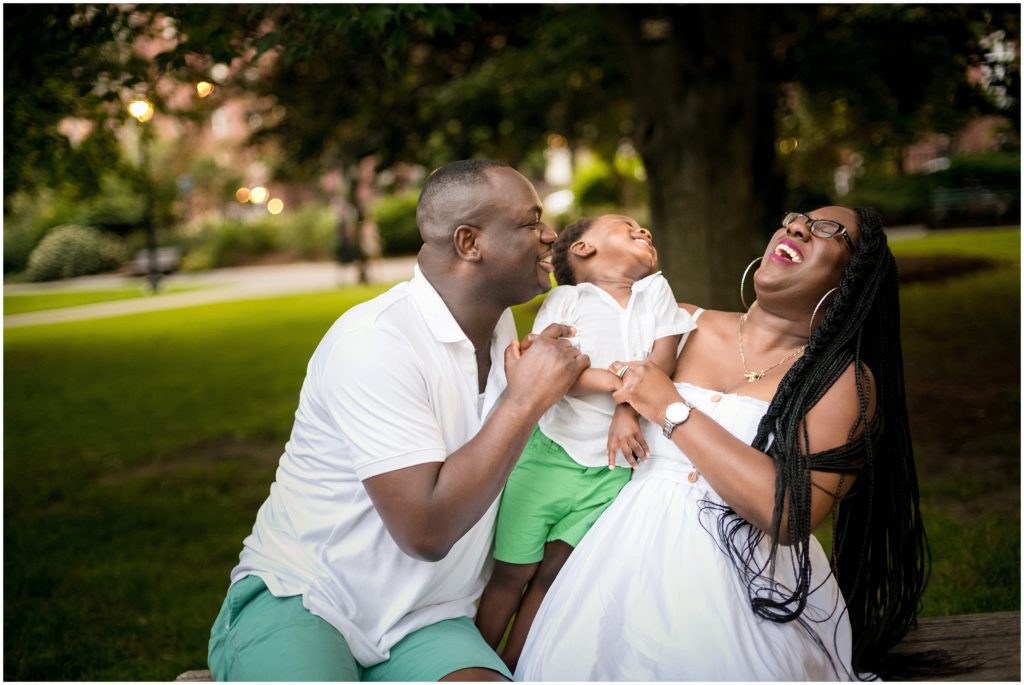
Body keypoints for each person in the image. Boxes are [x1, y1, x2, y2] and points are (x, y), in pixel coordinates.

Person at [207, 160, 590, 682]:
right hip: (307, 598)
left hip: (429, 620)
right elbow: (426, 530)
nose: (550, 236)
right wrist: (523, 403)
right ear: (469, 243)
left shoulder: (503, 329)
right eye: (530, 222)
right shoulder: (374, 342)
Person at [516, 207, 928, 681]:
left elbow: (790, 513)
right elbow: (577, 375)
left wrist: (674, 411)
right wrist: (541, 354)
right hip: (618, 568)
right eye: (797, 219)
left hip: (751, 593)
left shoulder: (841, 382)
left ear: (851, 280)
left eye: (827, 231)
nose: (796, 227)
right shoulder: (679, 323)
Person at [476, 214, 696, 669]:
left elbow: (662, 364)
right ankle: (474, 660)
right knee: (512, 572)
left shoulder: (655, 293)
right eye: (627, 226)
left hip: (611, 471)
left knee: (556, 574)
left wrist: (625, 409)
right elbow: (557, 372)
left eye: (644, 229)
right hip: (550, 459)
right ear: (582, 249)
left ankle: (516, 668)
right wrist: (625, 380)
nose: (644, 231)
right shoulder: (568, 299)